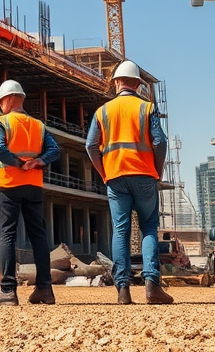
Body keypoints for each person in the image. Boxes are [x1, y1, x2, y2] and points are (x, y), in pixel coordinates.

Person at [85, 59, 174, 306]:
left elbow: (91, 145)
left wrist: (104, 172)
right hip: (145, 175)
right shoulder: (147, 108)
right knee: (148, 227)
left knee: (121, 231)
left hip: (115, 178)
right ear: (138, 84)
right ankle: (152, 286)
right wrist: (157, 171)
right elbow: (160, 142)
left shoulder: (103, 111)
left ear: (116, 83)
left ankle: (122, 290)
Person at [0, 79, 61, 306]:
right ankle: (45, 289)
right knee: (38, 236)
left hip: (8, 185)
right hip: (33, 187)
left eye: (1, 101)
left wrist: (19, 163)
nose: (1, 105)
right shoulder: (38, 125)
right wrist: (37, 161)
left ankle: (8, 291)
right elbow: (54, 150)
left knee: (7, 235)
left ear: (8, 99)